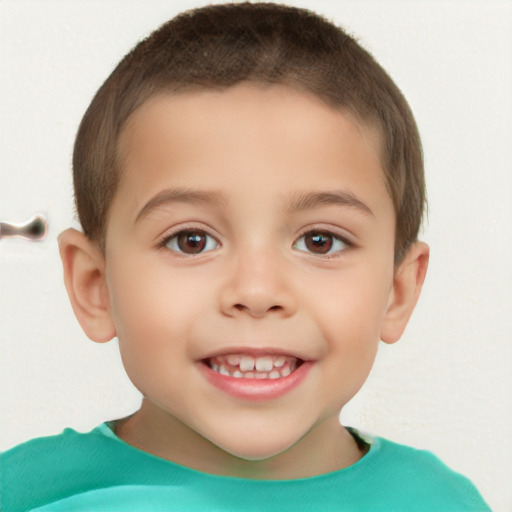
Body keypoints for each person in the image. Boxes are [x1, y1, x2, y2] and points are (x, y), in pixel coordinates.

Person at [0, 3, 490, 511]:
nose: (256, 293)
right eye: (191, 240)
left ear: (398, 290)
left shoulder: (438, 502)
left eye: (320, 241)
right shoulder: (24, 495)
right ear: (94, 286)